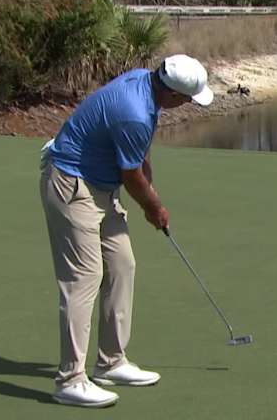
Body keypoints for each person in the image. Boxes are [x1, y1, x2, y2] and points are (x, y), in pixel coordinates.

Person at [39, 54, 214, 408]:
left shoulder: (146, 83)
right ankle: (70, 380)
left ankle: (111, 361)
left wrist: (150, 185)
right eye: (187, 100)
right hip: (71, 184)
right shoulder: (133, 111)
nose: (187, 106)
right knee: (84, 279)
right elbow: (131, 176)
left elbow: (139, 153)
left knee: (122, 266)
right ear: (173, 94)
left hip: (100, 186)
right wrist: (154, 207)